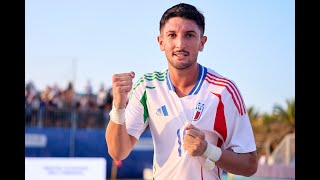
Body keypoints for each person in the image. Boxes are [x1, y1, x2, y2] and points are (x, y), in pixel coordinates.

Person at [106, 3, 258, 179]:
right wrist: (118, 107)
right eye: (172, 35)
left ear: (202, 42)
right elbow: (118, 152)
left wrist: (207, 150)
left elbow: (250, 165)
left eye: (189, 35)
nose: (180, 44)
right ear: (161, 42)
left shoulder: (223, 91)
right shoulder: (147, 87)